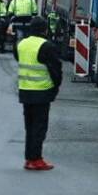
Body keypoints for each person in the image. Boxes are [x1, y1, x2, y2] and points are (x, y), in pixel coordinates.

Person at [14, 16, 62, 170]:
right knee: (39, 128)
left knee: (29, 127)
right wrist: (55, 88)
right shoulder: (47, 46)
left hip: (25, 91)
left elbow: (18, 58)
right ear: (45, 30)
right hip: (41, 92)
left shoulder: (21, 44)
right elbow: (56, 70)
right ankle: (36, 159)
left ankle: (29, 158)